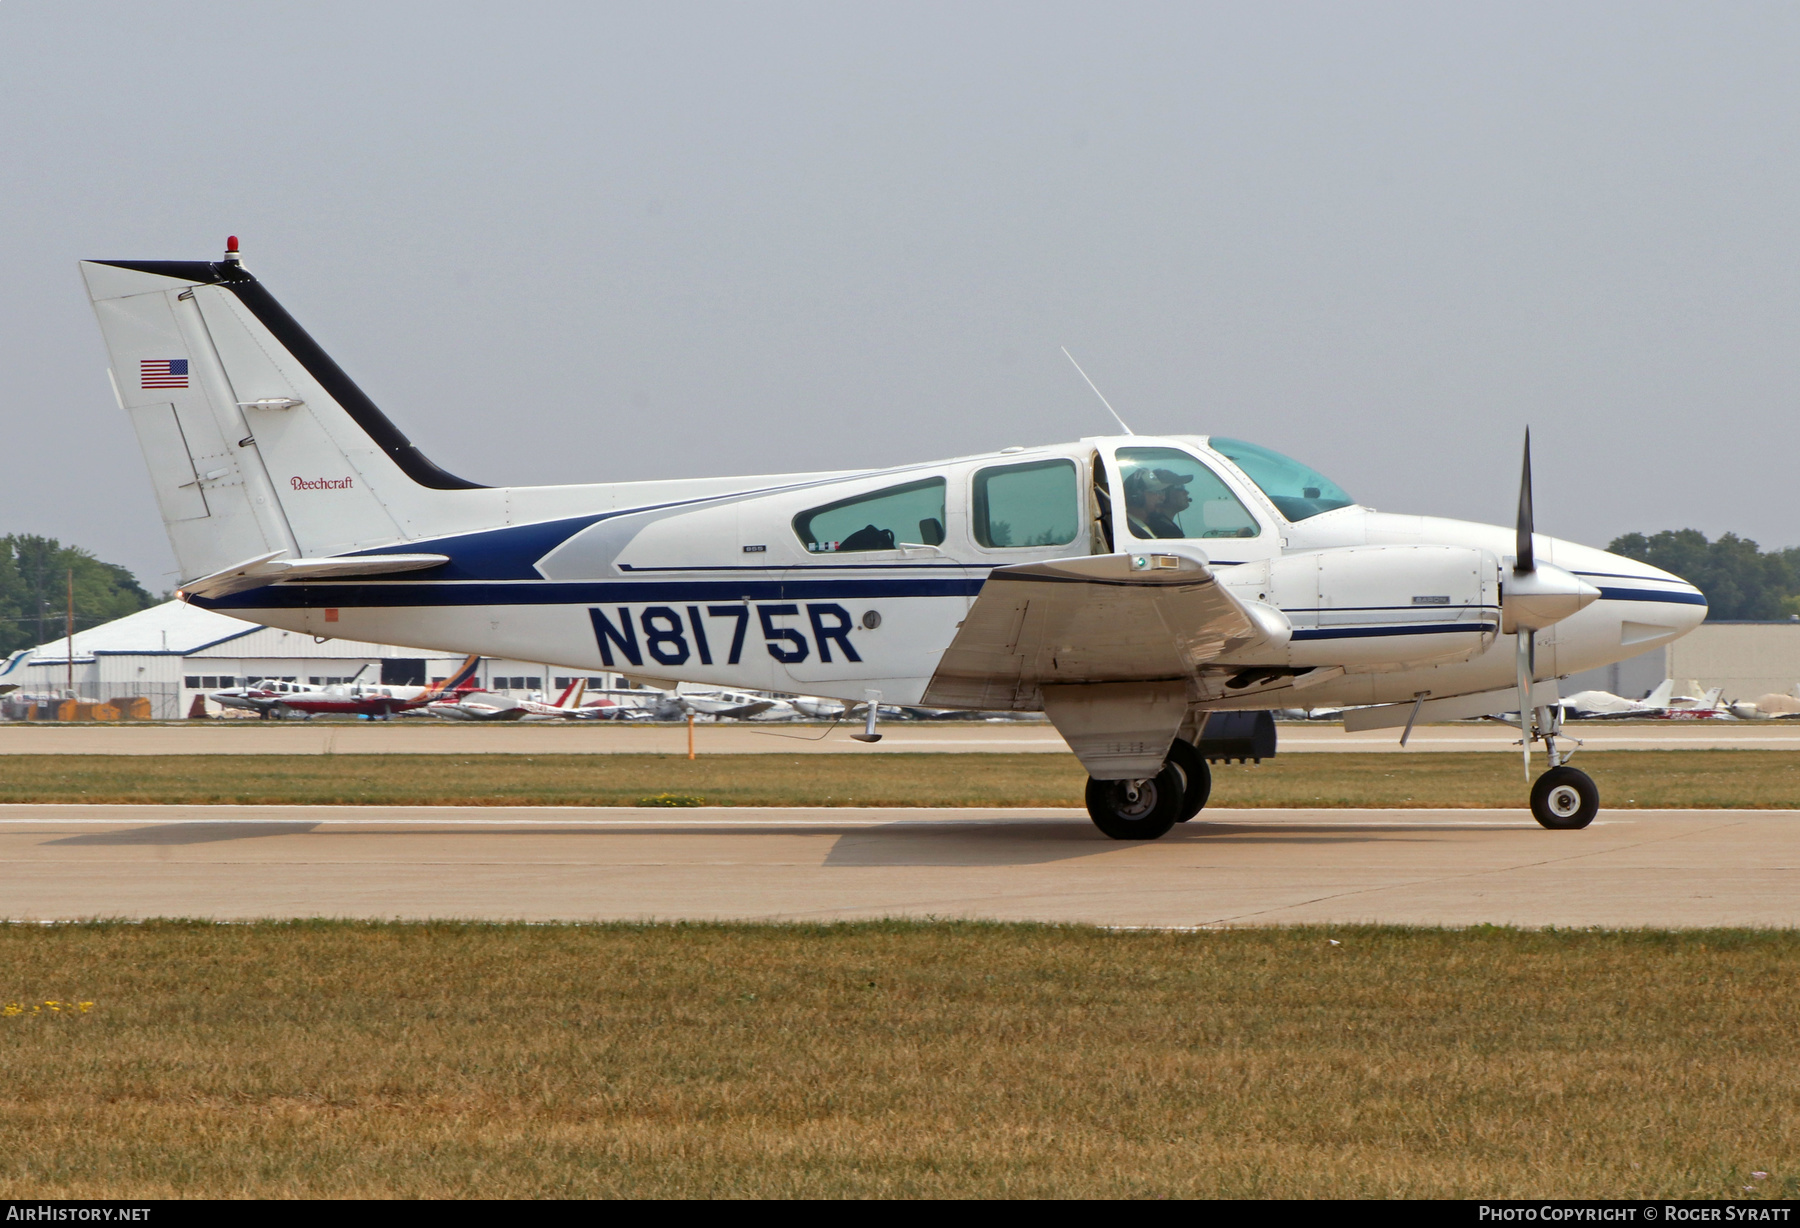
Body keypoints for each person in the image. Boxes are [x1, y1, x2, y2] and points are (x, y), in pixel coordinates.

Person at [1122, 467, 1193, 539]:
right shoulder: (1131, 531)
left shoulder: (1142, 527)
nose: (1162, 497)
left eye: (1161, 492)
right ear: (1137, 497)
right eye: (1156, 492)